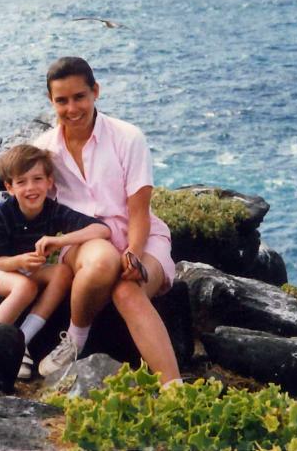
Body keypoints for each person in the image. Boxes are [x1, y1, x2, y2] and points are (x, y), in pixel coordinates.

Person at [35, 56, 182, 386]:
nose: (72, 108)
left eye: (79, 97)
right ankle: (75, 338)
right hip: (85, 243)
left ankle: (176, 393)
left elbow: (140, 212)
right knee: (102, 262)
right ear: (51, 101)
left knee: (127, 292)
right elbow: (31, 208)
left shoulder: (128, 138)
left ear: (95, 92)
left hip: (140, 235)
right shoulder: (44, 150)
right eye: (62, 100)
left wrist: (132, 251)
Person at [0, 143, 111, 379]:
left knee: (62, 273)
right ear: (9, 187)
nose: (31, 188)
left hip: (26, 266)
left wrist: (61, 240)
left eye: (37, 179)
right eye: (21, 182)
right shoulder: (1, 214)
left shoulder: (53, 211)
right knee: (26, 287)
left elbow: (101, 230)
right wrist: (20, 262)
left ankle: (22, 339)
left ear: (49, 181)